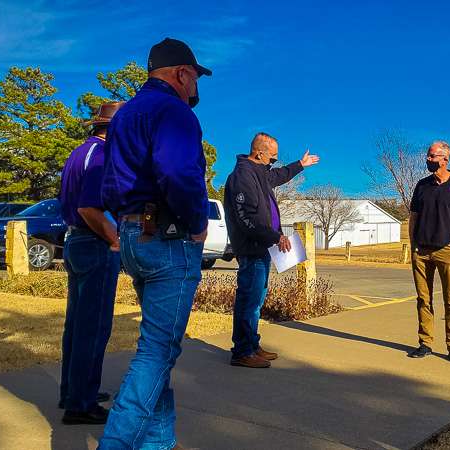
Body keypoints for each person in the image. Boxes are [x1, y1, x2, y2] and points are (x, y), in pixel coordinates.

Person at [98, 38, 211, 450]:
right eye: (196, 77)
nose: (197, 86)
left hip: (133, 234)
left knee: (157, 352)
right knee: (156, 354)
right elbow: (177, 173)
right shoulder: (174, 111)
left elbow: (108, 182)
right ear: (182, 73)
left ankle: (159, 442)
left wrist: (125, 220)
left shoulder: (126, 114)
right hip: (168, 238)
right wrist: (197, 222)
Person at [223, 132, 319, 368]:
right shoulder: (242, 177)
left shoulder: (260, 173)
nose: (273, 163)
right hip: (251, 249)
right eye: (272, 158)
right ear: (259, 153)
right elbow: (248, 218)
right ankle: (243, 352)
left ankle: (252, 345)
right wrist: (275, 236)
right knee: (249, 301)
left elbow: (279, 175)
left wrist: (300, 165)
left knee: (256, 301)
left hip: (261, 248)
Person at [58, 101, 124, 425]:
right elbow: (89, 208)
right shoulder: (102, 156)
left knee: (77, 324)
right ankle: (81, 403)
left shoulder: (79, 153)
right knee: (94, 327)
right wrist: (115, 238)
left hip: (76, 242)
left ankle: (73, 389)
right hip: (94, 242)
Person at [407, 141, 450, 363]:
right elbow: (413, 216)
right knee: (423, 299)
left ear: (445, 159)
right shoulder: (421, 186)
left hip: (447, 251)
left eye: (432, 156)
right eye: (428, 155)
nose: (428, 159)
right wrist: (413, 244)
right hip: (422, 251)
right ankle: (425, 343)